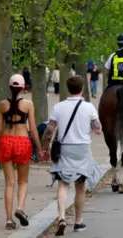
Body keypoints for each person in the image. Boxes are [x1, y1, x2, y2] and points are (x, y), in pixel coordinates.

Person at [41, 76, 103, 235]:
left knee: (63, 183)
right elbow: (97, 128)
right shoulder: (88, 107)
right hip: (82, 148)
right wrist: (94, 127)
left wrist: (45, 148)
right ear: (82, 88)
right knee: (80, 185)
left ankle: (61, 217)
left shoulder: (59, 107)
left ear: (68, 88)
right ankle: (78, 221)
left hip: (64, 148)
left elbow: (49, 130)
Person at [0, 74, 44, 230]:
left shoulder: (2, 105)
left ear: (9, 87)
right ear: (23, 87)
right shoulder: (28, 104)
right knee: (23, 181)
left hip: (6, 142)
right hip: (22, 143)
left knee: (9, 183)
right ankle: (20, 208)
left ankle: (8, 220)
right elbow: (33, 128)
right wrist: (40, 148)